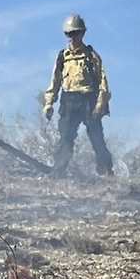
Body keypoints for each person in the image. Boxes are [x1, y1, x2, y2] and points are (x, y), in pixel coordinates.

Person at [41, 13, 113, 177]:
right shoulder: (62, 57)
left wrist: (100, 104)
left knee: (96, 138)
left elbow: (103, 82)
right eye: (68, 34)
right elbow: (55, 82)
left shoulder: (91, 56)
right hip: (69, 101)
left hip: (89, 100)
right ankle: (58, 172)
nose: (71, 37)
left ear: (82, 33)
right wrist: (49, 103)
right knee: (65, 138)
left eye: (75, 33)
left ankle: (106, 171)